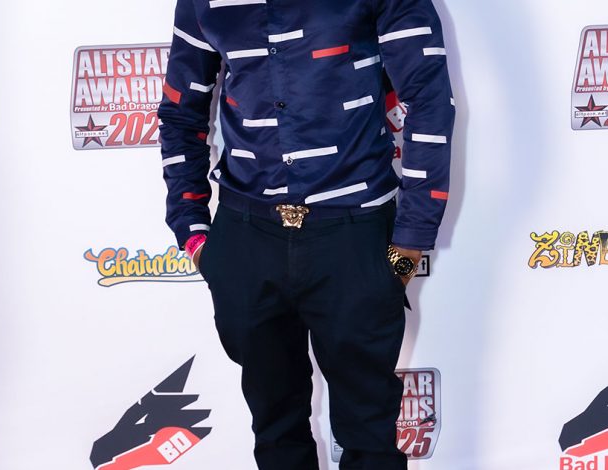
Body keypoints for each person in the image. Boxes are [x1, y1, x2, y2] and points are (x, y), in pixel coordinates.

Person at [157, 0, 455, 468]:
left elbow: (429, 102)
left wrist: (410, 245)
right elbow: (180, 113)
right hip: (246, 238)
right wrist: (193, 232)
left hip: (354, 235)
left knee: (370, 437)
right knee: (275, 432)